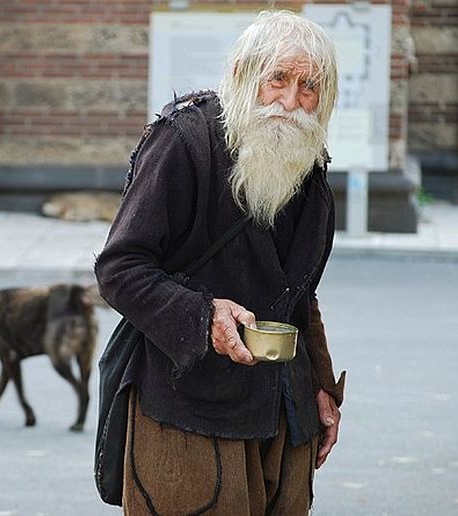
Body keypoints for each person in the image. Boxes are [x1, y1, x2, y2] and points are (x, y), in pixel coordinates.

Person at [94, 10, 347, 515]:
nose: (291, 103)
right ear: (241, 75)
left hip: (284, 415)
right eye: (277, 79)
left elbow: (299, 294)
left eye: (310, 87)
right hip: (188, 415)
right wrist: (204, 316)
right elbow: (120, 268)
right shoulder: (184, 142)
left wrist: (321, 386)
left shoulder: (308, 164)